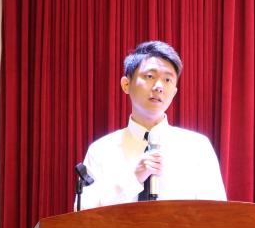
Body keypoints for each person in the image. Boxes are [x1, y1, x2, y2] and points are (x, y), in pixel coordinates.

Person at [77, 40, 227, 209]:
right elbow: (83, 215)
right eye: (150, 76)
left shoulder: (197, 147)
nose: (159, 86)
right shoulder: (101, 150)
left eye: (167, 79)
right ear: (126, 84)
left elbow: (216, 215)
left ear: (174, 92)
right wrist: (133, 179)